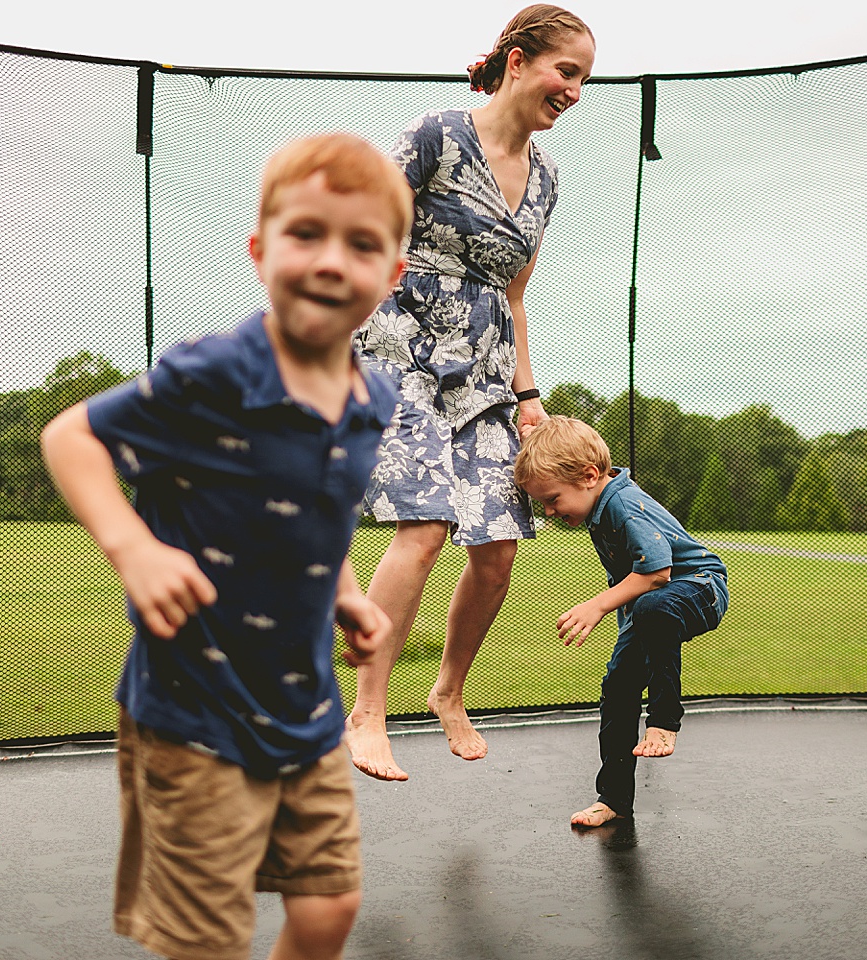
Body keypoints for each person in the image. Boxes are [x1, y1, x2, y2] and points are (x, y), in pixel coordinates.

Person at [39, 132, 413, 960]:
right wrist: (132, 548)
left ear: (392, 276)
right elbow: (71, 438)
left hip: (305, 714)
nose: (329, 260)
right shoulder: (214, 376)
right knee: (207, 943)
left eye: (360, 244)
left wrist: (348, 593)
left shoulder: (371, 399)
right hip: (194, 714)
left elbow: (317, 515)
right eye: (306, 233)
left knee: (328, 909)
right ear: (259, 250)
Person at [346, 4, 596, 782]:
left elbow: (516, 297)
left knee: (495, 551)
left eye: (585, 79)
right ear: (519, 61)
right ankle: (367, 710)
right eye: (567, 71)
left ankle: (447, 692)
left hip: (485, 375)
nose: (576, 91)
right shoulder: (437, 135)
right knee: (422, 531)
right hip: (401, 354)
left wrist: (528, 397)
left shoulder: (548, 179)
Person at [513, 417, 729, 827]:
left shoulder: (622, 503)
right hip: (652, 605)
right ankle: (612, 799)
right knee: (618, 687)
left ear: (590, 476)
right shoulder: (600, 503)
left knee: (653, 609)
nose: (549, 510)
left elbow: (657, 573)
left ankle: (665, 720)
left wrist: (596, 607)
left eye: (553, 499)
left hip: (700, 587)